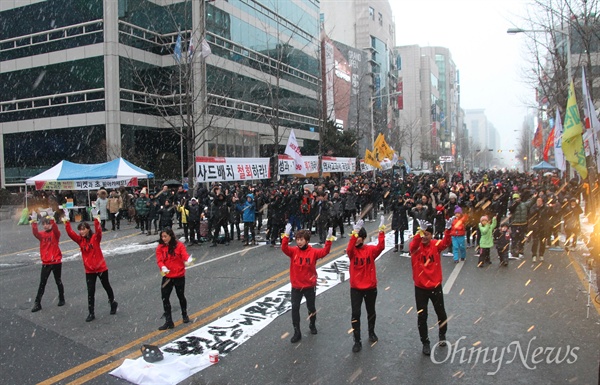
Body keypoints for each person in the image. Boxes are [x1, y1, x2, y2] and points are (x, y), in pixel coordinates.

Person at [281, 224, 332, 343]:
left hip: (309, 286)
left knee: (311, 307)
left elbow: (325, 251)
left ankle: (312, 324)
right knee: (295, 308)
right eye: (297, 240)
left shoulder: (313, 252)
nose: (299, 242)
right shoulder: (293, 251)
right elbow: (284, 248)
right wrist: (286, 236)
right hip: (296, 286)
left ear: (307, 241)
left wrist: (328, 240)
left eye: (301, 240)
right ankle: (297, 332)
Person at [409, 219, 452, 355]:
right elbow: (412, 246)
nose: (425, 237)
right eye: (423, 234)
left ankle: (442, 334)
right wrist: (419, 233)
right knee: (422, 317)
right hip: (420, 287)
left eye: (427, 234)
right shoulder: (416, 246)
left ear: (432, 236)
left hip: (435, 286)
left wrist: (448, 230)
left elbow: (446, 243)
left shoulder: (435, 245)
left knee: (441, 313)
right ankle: (425, 342)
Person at [64, 211, 118, 322]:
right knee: (90, 291)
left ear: (88, 229)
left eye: (83, 229)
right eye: (80, 229)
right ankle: (91, 312)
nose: (81, 231)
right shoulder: (80, 240)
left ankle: (112, 303)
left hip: (101, 268)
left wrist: (96, 219)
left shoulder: (95, 238)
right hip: (89, 270)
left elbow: (99, 231)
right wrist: (66, 221)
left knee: (106, 286)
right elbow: (70, 233)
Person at [346, 217, 386, 353]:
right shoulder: (352, 252)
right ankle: (357, 340)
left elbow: (381, 247)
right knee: (355, 314)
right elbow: (349, 248)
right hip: (356, 288)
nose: (356, 239)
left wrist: (381, 231)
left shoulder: (370, 250)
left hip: (370, 287)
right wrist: (354, 233)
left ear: (363, 238)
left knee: (371, 311)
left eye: (358, 237)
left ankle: (371, 331)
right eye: (354, 237)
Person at [156, 228, 194, 330]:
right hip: (167, 277)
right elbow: (159, 260)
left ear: (170, 236)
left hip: (178, 275)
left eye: (165, 236)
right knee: (165, 298)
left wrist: (188, 259)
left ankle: (184, 314)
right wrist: (162, 267)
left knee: (181, 296)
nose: (163, 239)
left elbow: (184, 255)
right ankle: (169, 321)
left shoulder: (179, 245)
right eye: (162, 237)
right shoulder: (160, 247)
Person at [30, 211, 65, 312]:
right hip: (46, 262)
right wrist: (34, 222)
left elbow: (56, 229)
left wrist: (52, 219)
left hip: (56, 261)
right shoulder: (42, 235)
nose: (45, 226)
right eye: (44, 224)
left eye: (47, 224)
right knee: (42, 283)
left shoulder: (55, 234)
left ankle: (61, 297)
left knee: (58, 280)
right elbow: (35, 233)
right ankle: (37, 302)